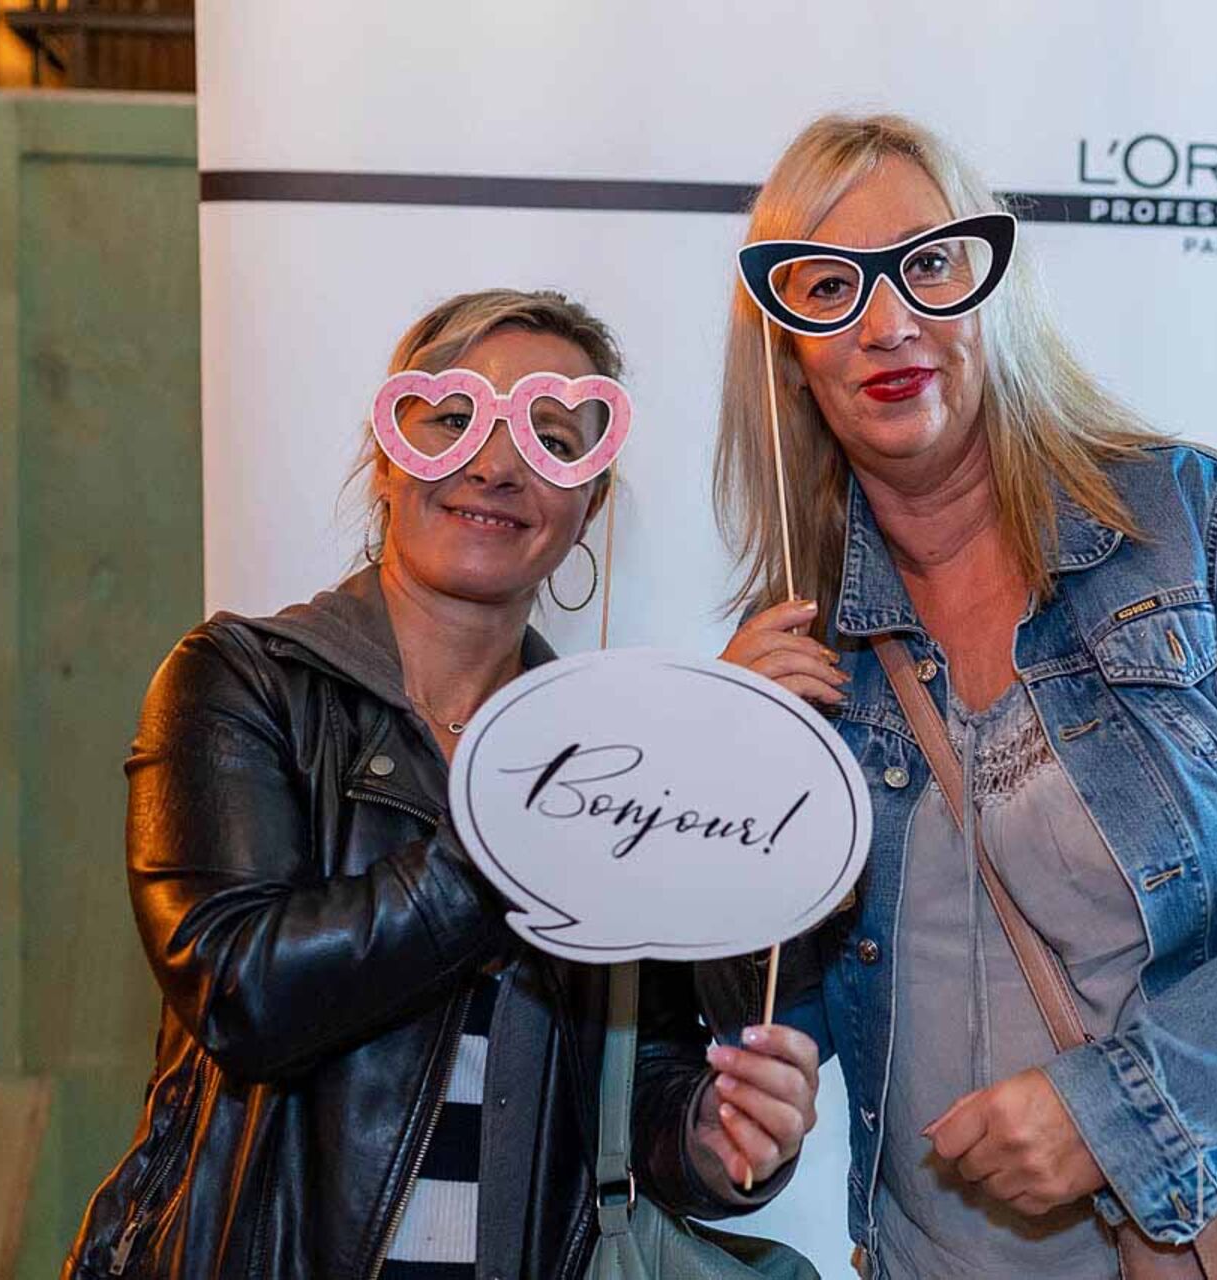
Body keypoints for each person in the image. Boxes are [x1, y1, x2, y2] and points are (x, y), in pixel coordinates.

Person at [716, 115, 1217, 1278]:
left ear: (993, 286)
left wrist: (1123, 1108)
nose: (888, 321)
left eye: (928, 263)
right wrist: (718, 778)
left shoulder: (1194, 526)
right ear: (787, 352)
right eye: (828, 286)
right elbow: (779, 1023)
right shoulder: (806, 652)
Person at [66, 289, 819, 1280]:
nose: (497, 464)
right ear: (386, 459)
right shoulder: (242, 682)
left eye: (553, 439)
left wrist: (715, 1136)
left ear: (589, 505)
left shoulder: (609, 767)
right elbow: (246, 996)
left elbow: (636, 1082)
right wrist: (557, 795)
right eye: (454, 417)